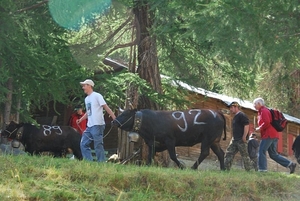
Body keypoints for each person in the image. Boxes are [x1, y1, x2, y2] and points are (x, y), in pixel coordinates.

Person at [253, 97, 296, 173]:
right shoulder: (262, 111)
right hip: (274, 135)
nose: (254, 106)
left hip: (269, 135)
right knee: (273, 154)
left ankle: (262, 170)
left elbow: (267, 122)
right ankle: (290, 164)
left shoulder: (263, 111)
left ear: (259, 104)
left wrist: (259, 128)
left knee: (261, 151)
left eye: (255, 104)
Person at [77, 79, 116, 162]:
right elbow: (88, 112)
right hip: (90, 126)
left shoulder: (97, 96)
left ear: (89, 86)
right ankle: (89, 162)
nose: (83, 87)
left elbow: (105, 107)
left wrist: (113, 117)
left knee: (98, 144)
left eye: (84, 85)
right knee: (83, 144)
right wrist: (80, 119)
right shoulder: (87, 99)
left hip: (98, 124)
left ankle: (101, 163)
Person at [224, 101, 252, 171]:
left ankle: (249, 171)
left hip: (241, 140)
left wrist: (244, 136)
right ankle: (225, 170)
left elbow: (246, 125)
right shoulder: (235, 116)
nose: (230, 109)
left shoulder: (242, 115)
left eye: (231, 107)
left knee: (245, 156)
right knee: (229, 153)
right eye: (230, 108)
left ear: (236, 107)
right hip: (234, 139)